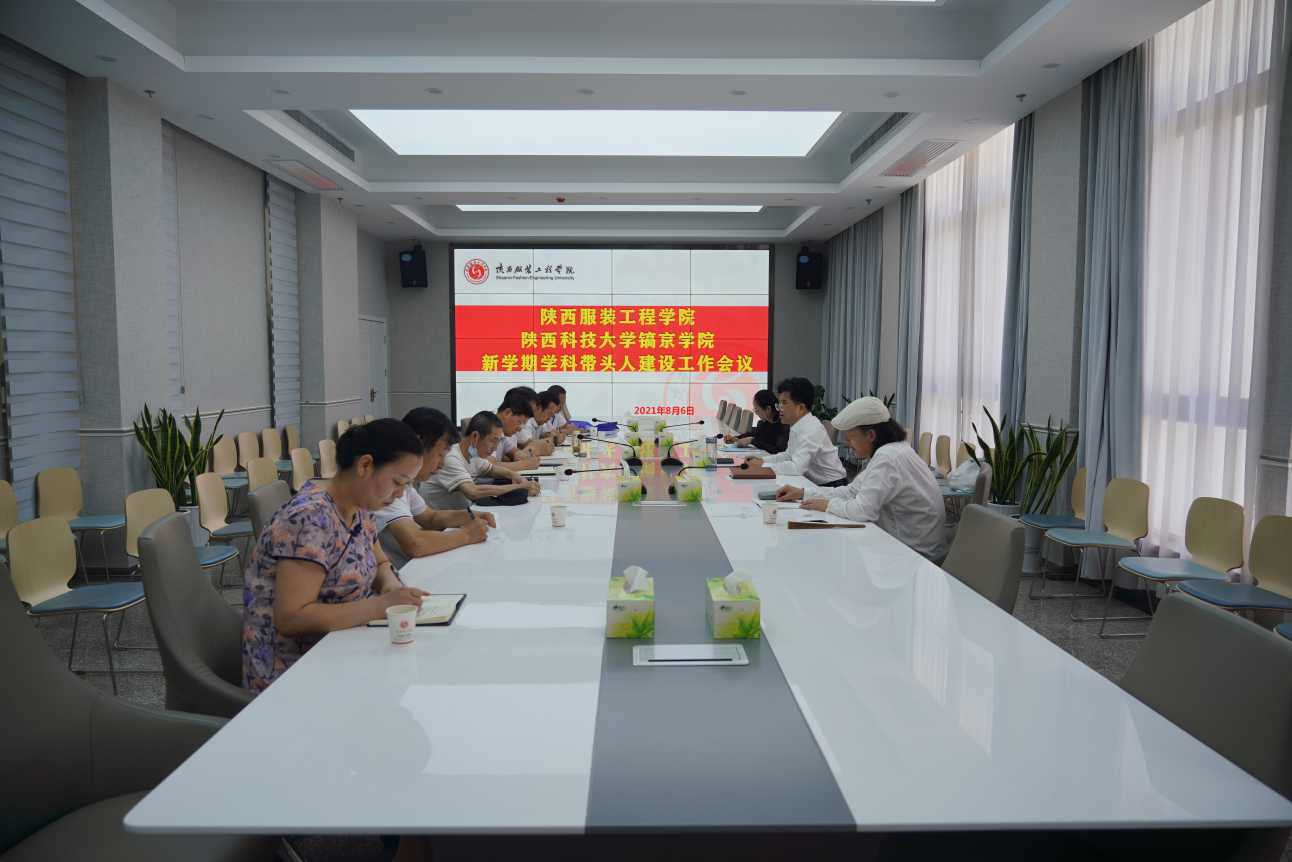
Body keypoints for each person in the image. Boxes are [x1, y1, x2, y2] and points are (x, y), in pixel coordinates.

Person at [242, 418, 430, 694]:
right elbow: (292, 617)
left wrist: (389, 583)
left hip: (342, 644)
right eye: (398, 482)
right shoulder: (310, 519)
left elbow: (379, 561)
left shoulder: (360, 506)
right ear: (365, 465)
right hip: (293, 674)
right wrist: (380, 606)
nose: (400, 493)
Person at [776, 396, 947, 560]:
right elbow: (852, 491)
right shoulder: (893, 450)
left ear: (871, 435)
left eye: (850, 439)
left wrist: (827, 505)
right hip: (909, 542)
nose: (849, 445)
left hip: (914, 552)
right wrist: (803, 493)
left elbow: (863, 511)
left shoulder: (888, 457)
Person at [373, 407, 496, 571]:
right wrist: (466, 535)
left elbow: (429, 517)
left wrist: (468, 516)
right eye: (440, 455)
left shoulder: (405, 485)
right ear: (418, 446)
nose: (442, 464)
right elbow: (415, 543)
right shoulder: (388, 485)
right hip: (403, 573)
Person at [742, 377, 847, 487]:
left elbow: (797, 467)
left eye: (784, 403)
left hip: (832, 486)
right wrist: (762, 460)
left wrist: (763, 465)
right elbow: (788, 455)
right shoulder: (797, 425)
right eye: (779, 403)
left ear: (800, 408)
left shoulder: (811, 429)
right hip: (811, 482)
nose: (779, 408)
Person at [423, 411, 540, 509]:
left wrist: (514, 475)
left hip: (464, 514)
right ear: (475, 437)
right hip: (443, 525)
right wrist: (519, 487)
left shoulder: (473, 454)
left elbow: (491, 469)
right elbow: (473, 492)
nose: (495, 448)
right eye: (493, 441)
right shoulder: (451, 458)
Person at [723, 389, 790, 454]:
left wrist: (752, 441)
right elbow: (754, 434)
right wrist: (735, 438)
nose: (756, 413)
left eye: (757, 410)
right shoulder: (764, 423)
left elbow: (778, 450)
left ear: (768, 409)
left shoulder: (784, 424)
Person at [491, 393, 540, 468]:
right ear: (507, 413)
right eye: (519, 422)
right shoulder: (488, 428)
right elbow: (490, 466)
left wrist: (526, 456)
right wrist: (525, 464)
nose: (519, 429)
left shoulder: (502, 434)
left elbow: (515, 452)